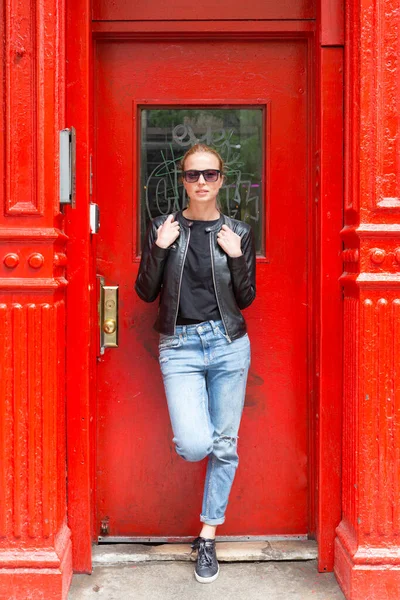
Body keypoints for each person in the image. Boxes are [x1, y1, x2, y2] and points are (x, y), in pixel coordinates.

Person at [135, 143, 256, 583]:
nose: (201, 182)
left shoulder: (238, 232)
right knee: (193, 443)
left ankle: (207, 535)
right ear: (182, 181)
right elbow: (146, 292)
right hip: (180, 347)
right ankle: (206, 529)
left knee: (226, 445)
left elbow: (246, 298)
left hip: (228, 344)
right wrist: (160, 249)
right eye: (192, 175)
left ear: (221, 179)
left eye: (209, 174)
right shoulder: (163, 227)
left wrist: (238, 257)